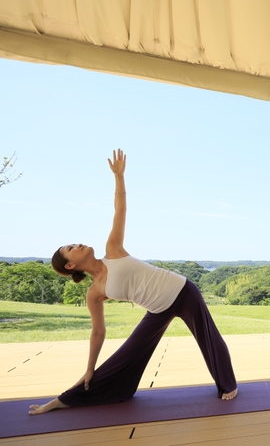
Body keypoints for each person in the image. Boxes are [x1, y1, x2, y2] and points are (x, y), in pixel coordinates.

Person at [29, 149, 237, 415]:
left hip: (181, 291)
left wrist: (119, 176)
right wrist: (90, 367)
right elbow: (98, 332)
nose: (77, 243)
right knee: (127, 354)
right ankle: (67, 399)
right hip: (157, 309)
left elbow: (120, 209)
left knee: (208, 337)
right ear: (70, 265)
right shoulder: (94, 293)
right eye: (71, 247)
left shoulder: (112, 249)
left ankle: (228, 385)